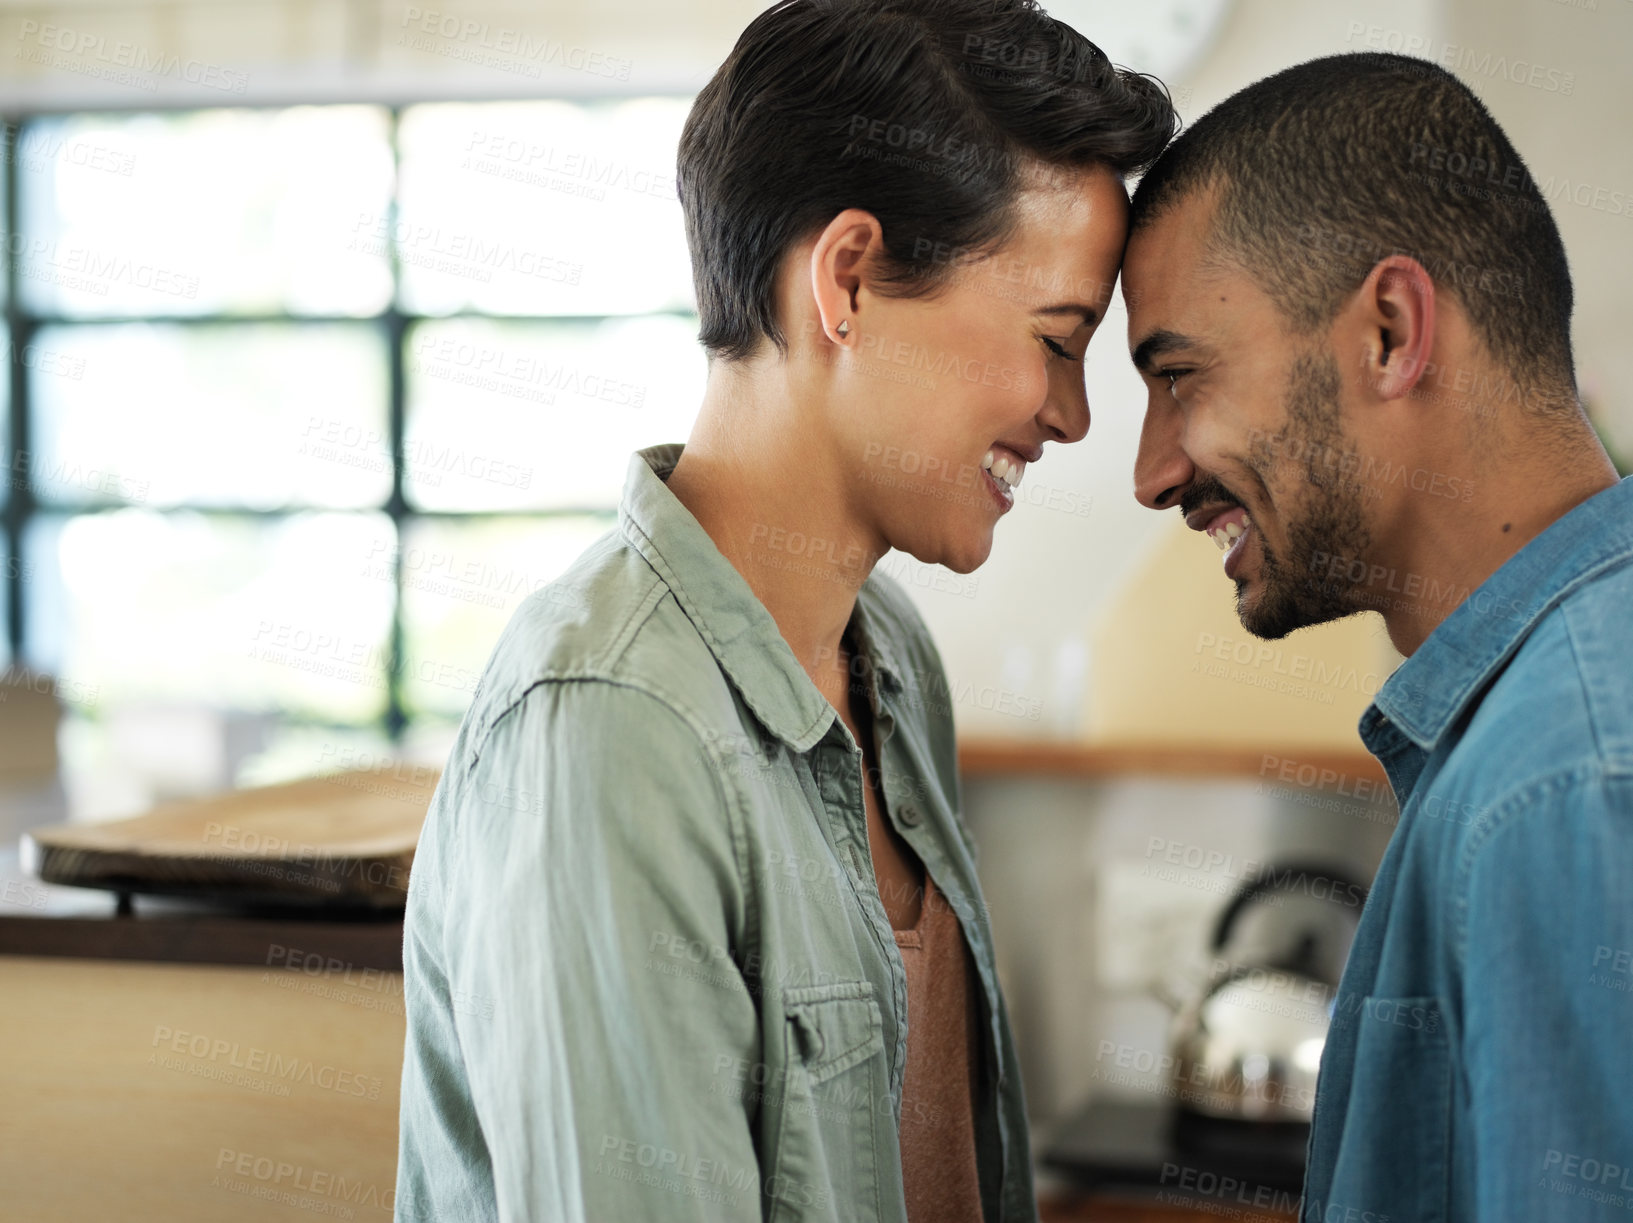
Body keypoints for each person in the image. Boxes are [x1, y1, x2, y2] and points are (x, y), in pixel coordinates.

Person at [394, 2, 1175, 1220]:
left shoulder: (894, 653)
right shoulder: (611, 726)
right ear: (848, 278)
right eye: (1055, 340)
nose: (1070, 415)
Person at [1120, 51, 1633, 1223]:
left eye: (1181, 376)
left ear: (1392, 330)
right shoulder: (1527, 728)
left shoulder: (1565, 779)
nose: (1152, 472)